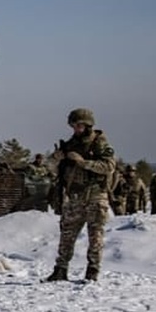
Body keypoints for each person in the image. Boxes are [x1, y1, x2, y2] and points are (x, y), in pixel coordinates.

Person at [44, 108, 116, 283]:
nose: (76, 129)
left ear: (88, 125)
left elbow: (109, 166)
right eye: (73, 126)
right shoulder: (71, 144)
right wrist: (56, 159)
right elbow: (51, 169)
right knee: (67, 234)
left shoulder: (99, 143)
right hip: (75, 195)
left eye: (79, 126)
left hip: (95, 195)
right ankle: (60, 269)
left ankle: (92, 270)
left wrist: (83, 163)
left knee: (95, 235)